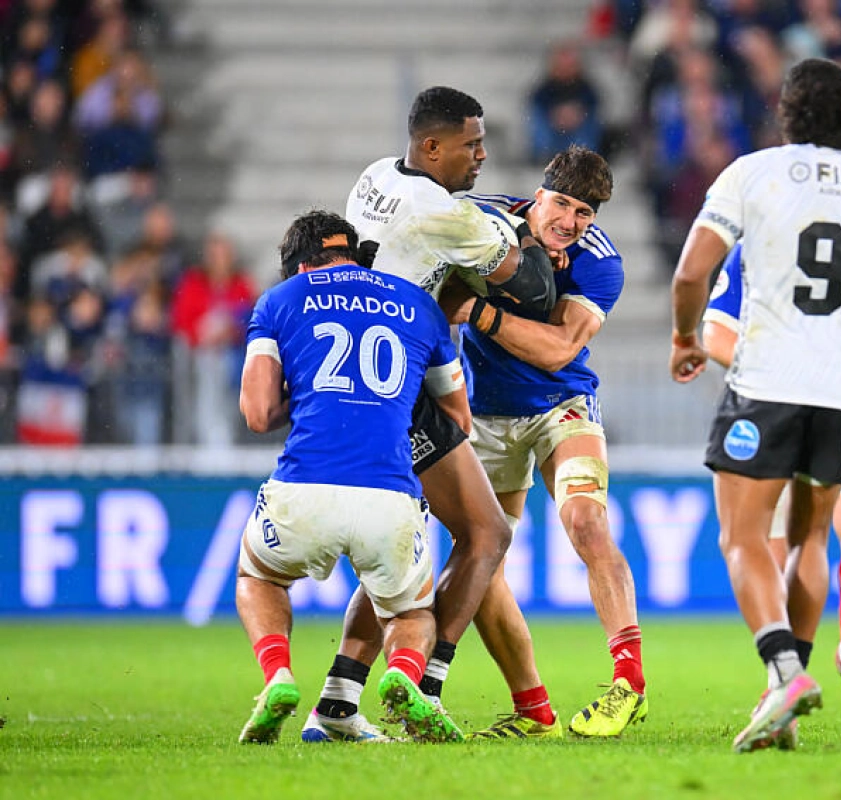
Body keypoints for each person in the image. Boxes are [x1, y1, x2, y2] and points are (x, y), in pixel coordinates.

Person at [668, 58, 841, 753]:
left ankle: (784, 672)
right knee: (810, 541)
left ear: (787, 112)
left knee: (742, 538)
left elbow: (691, 272)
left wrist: (683, 337)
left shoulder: (752, 173)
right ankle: (785, 703)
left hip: (766, 384)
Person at [299, 86, 556, 743]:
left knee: (400, 549)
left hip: (362, 379)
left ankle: (336, 703)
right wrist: (523, 230)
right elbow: (529, 283)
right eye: (471, 144)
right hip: (405, 387)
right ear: (432, 146)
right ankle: (422, 688)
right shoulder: (446, 215)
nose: (483, 155)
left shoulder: (376, 176)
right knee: (487, 533)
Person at [235, 210, 467, 745]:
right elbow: (458, 418)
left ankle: (278, 678)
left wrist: (315, 394)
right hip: (389, 493)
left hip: (305, 485)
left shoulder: (280, 300)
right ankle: (403, 675)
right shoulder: (416, 303)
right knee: (411, 612)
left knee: (259, 577)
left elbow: (258, 413)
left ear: (298, 265)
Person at [443, 145, 646, 738]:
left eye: (585, 214)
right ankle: (534, 710)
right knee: (481, 560)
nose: (569, 223)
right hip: (483, 417)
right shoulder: (484, 223)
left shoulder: (601, 263)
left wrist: (477, 313)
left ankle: (627, 684)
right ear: (539, 194)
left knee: (586, 521)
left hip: (564, 405)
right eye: (561, 205)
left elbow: (560, 349)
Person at [703, 243, 841, 717]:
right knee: (773, 552)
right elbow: (717, 332)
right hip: (768, 414)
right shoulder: (756, 243)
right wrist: (779, 375)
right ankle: (783, 683)